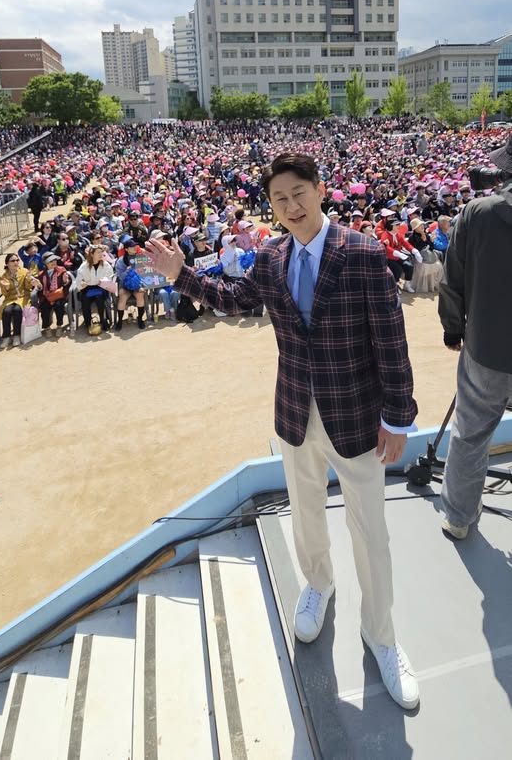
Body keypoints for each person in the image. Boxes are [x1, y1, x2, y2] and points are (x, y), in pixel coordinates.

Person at [147, 151, 419, 710]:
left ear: (321, 191)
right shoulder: (270, 259)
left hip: (358, 417)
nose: (290, 206)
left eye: (299, 193)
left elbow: (391, 341)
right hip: (297, 413)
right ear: (270, 207)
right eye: (279, 199)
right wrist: (183, 277)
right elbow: (233, 300)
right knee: (306, 512)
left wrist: (399, 416)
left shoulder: (364, 255)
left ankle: (382, 635)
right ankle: (317, 584)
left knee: (372, 532)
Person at [438, 133, 512, 540]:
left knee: (470, 435)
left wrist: (453, 328)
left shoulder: (477, 213)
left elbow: (453, 280)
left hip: (486, 349)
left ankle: (459, 518)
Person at [0, 254, 38, 346]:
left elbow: (28, 288)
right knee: (6, 311)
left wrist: (30, 281)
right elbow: (5, 294)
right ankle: (6, 336)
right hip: (10, 299)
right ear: (7, 263)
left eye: (17, 260)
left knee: (17, 310)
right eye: (13, 261)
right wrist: (6, 288)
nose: (16, 262)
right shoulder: (3, 276)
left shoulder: (24, 271)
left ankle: (16, 335)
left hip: (23, 297)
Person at [76, 245, 114, 333]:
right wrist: (82, 284)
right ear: (92, 254)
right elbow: (78, 282)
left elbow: (110, 278)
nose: (101, 254)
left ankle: (103, 320)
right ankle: (88, 322)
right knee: (85, 298)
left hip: (101, 287)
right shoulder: (84, 266)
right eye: (98, 252)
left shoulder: (106, 265)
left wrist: (104, 282)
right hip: (88, 288)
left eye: (101, 252)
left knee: (100, 297)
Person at [114, 237, 146, 330]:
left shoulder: (141, 257)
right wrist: (126, 271)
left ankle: (140, 319)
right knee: (122, 297)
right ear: (126, 249)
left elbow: (146, 273)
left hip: (138, 284)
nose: (135, 247)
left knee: (140, 294)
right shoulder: (120, 261)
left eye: (135, 246)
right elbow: (119, 276)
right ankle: (119, 321)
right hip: (125, 285)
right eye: (132, 247)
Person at [37, 252, 71, 334]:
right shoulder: (41, 274)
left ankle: (59, 326)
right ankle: (47, 327)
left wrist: (65, 281)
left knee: (59, 305)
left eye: (54, 260)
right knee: (44, 306)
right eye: (50, 261)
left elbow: (67, 284)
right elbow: (40, 289)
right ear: (45, 263)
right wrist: (38, 286)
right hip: (47, 295)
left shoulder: (61, 270)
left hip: (59, 294)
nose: (53, 262)